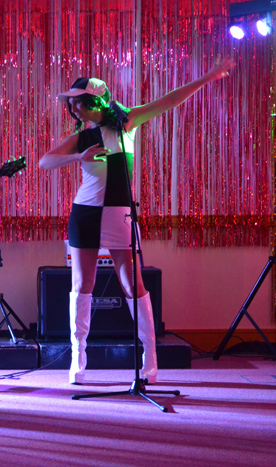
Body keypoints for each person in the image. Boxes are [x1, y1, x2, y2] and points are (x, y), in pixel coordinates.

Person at [39, 56, 235, 385]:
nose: (73, 109)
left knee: (133, 285)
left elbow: (169, 100)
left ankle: (150, 355)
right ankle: (78, 358)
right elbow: (45, 161)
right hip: (85, 213)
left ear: (94, 101)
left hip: (119, 212)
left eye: (77, 103)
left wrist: (208, 77)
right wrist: (78, 157)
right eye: (70, 104)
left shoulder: (126, 122)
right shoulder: (83, 138)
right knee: (81, 285)